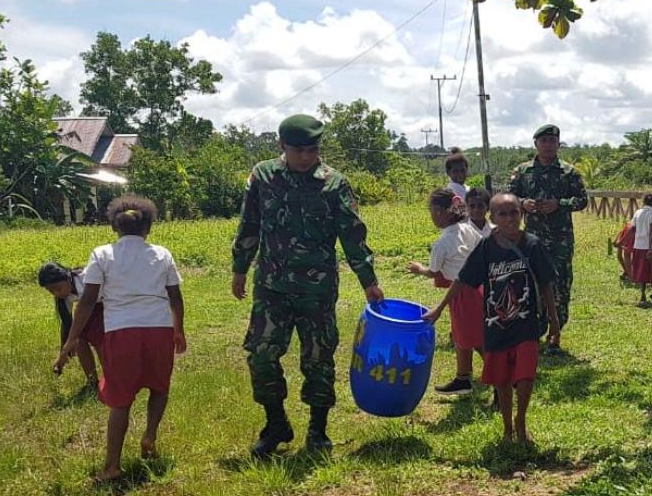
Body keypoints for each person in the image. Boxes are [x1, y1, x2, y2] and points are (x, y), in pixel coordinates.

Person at [232, 113, 386, 459]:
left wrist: (368, 280)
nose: (306, 157)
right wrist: (239, 268)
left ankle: (318, 431)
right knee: (261, 354)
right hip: (271, 286)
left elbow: (352, 234)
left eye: (312, 150)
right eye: (298, 150)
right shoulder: (263, 176)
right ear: (282, 146)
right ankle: (276, 424)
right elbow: (249, 223)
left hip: (317, 290)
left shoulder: (334, 183)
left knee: (318, 358)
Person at [55, 197, 185, 483]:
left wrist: (71, 339)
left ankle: (112, 466)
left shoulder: (102, 254)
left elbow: (87, 301)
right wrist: (179, 331)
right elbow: (175, 297)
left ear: (114, 228)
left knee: (120, 401)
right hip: (159, 329)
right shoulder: (163, 254)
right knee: (160, 387)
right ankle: (150, 435)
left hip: (121, 332)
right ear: (148, 228)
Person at [424, 193, 560, 446]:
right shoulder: (486, 247)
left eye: (514, 213)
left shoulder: (532, 245)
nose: (509, 219)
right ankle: (507, 427)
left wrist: (554, 320)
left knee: (526, 374)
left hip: (526, 323)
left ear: (522, 214)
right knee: (502, 378)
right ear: (493, 218)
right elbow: (463, 279)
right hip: (496, 324)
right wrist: (439, 308)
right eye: (502, 214)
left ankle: (521, 421)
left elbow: (546, 284)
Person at [502, 124, 587, 353]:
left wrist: (560, 204)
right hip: (532, 240)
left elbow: (582, 200)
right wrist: (523, 203)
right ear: (536, 144)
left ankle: (555, 334)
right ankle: (534, 332)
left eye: (552, 141)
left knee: (560, 286)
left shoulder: (569, 172)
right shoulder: (523, 171)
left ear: (558, 144)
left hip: (560, 241)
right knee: (531, 285)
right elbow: (507, 196)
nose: (548, 145)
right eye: (544, 141)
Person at [409, 188, 484, 396]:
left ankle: (502, 377)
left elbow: (433, 272)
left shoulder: (442, 243)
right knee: (462, 336)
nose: (431, 216)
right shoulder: (468, 229)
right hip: (478, 288)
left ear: (441, 212)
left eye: (432, 211)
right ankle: (463, 378)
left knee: (476, 339)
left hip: (462, 293)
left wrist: (418, 268)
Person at [40, 261, 103, 390]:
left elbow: (88, 304)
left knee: (98, 337)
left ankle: (112, 378)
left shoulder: (86, 280)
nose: (57, 293)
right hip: (87, 308)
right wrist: (63, 352)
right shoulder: (65, 297)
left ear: (68, 278)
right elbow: (67, 325)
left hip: (107, 304)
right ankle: (92, 381)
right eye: (51, 291)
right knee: (79, 340)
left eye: (58, 288)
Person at [630, 193, 652, 305]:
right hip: (650, 247)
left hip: (638, 246)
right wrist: (649, 249)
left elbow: (633, 229)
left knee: (641, 271)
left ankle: (642, 295)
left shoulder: (638, 212)